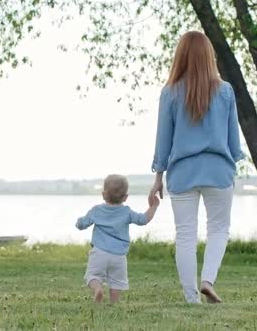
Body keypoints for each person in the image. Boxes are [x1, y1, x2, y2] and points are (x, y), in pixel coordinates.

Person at [149, 31, 244, 304]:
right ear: (209, 55)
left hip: (182, 173)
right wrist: (233, 159)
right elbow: (233, 139)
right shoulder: (225, 91)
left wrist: (158, 176)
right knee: (218, 229)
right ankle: (208, 280)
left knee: (186, 235)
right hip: (218, 170)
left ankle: (191, 298)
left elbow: (163, 138)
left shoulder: (169, 93)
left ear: (181, 56)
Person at [76, 174, 159, 304]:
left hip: (99, 253)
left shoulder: (96, 210)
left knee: (92, 276)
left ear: (103, 195)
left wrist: (79, 222)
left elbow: (82, 224)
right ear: (125, 197)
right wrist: (153, 206)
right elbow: (143, 220)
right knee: (117, 281)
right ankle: (114, 302)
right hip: (119, 256)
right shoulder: (126, 212)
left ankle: (98, 289)